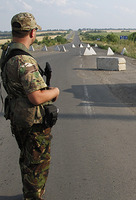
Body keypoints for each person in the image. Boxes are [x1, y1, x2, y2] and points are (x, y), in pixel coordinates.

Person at [0, 12, 60, 200]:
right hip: (32, 123)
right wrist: (55, 91)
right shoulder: (24, 60)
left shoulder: (8, 52)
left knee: (27, 160)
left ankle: (31, 192)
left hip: (18, 118)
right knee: (37, 165)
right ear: (32, 32)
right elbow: (35, 96)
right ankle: (33, 196)